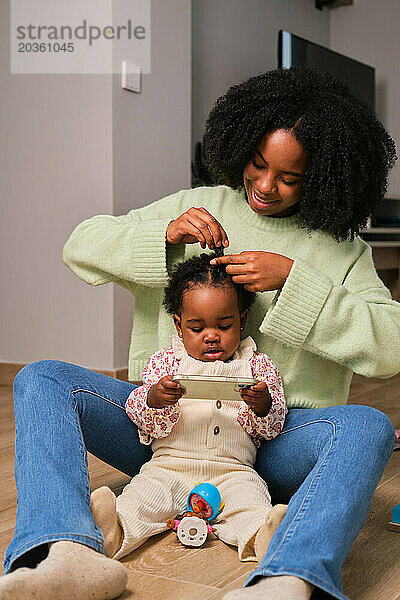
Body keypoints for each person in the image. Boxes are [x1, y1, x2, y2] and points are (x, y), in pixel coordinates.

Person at [2, 67, 399, 600]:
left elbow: (390, 347)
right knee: (42, 378)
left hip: (272, 440)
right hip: (161, 427)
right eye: (258, 165)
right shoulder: (197, 204)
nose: (263, 186)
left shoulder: (344, 251)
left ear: (324, 176)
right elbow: (81, 244)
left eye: (289, 178)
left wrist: (294, 283)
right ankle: (64, 551)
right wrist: (162, 235)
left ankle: (289, 577)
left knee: (368, 426)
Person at [90, 253, 288, 563]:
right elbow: (142, 420)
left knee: (250, 504)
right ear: (180, 326)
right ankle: (112, 529)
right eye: (197, 328)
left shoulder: (257, 366)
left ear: (242, 320)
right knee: (142, 497)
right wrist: (156, 399)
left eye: (224, 326)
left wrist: (262, 405)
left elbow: (274, 426)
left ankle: (264, 537)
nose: (211, 336)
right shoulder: (166, 362)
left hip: (234, 470)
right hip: (169, 466)